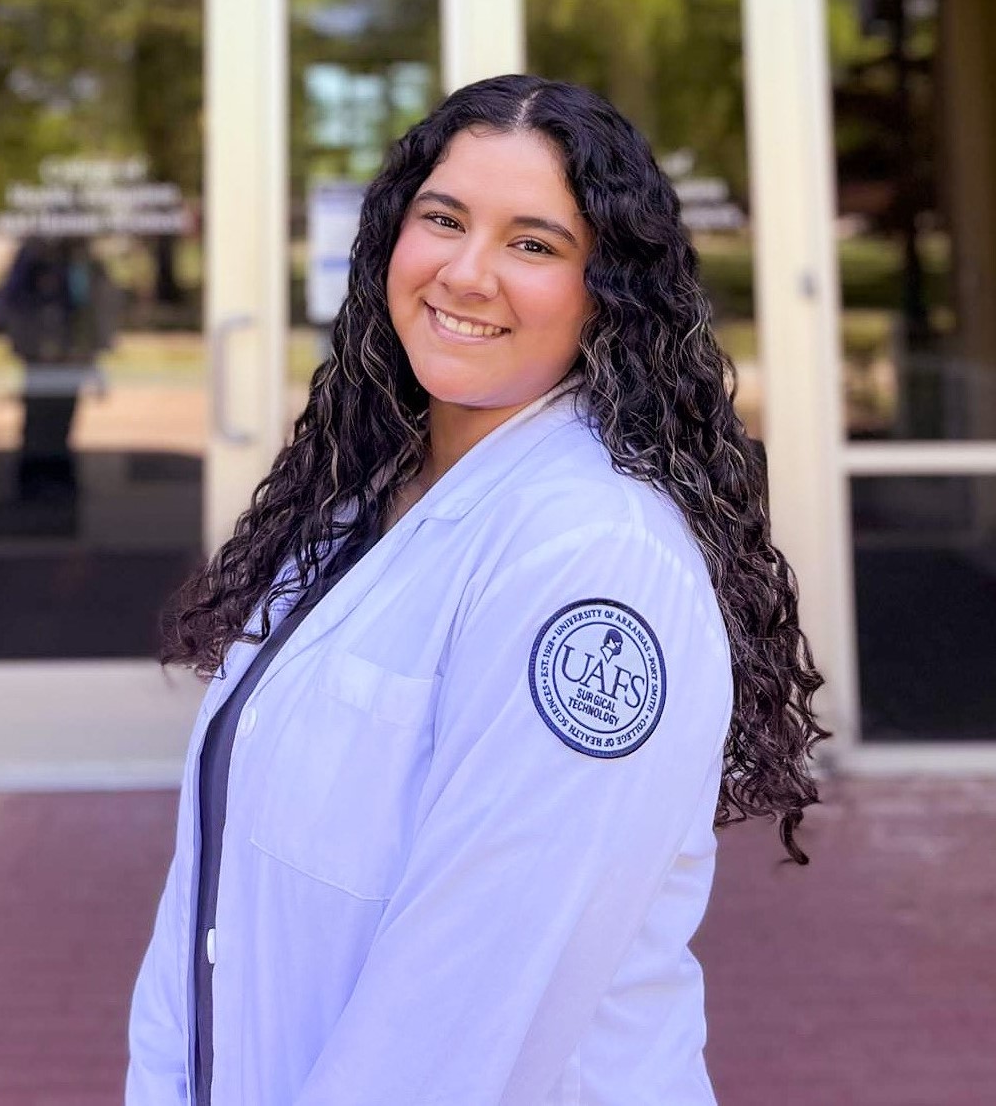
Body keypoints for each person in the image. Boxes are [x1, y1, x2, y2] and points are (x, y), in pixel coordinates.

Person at [127, 75, 826, 1106]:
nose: (466, 272)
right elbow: (212, 897)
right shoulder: (364, 503)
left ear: (609, 291)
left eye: (533, 243)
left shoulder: (595, 558)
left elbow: (468, 1001)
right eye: (442, 219)